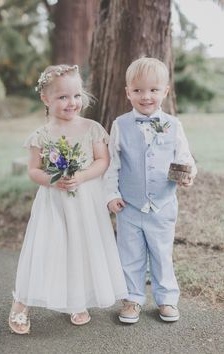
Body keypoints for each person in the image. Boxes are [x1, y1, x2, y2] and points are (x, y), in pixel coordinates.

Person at [8, 64, 128, 334]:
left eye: (76, 95)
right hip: (53, 202)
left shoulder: (92, 128)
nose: (71, 102)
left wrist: (83, 176)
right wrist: (54, 179)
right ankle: (21, 303)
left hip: (86, 201)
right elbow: (34, 170)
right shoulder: (42, 135)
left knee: (81, 247)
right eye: (62, 97)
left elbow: (102, 161)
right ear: (45, 99)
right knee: (46, 247)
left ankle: (77, 300)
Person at [104, 57, 197, 324]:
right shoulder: (120, 125)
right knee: (130, 254)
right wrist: (111, 195)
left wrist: (188, 175)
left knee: (161, 253)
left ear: (166, 91)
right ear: (128, 93)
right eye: (138, 90)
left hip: (163, 204)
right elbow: (113, 165)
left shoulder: (173, 125)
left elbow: (186, 158)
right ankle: (132, 297)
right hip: (129, 206)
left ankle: (166, 299)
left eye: (153, 90)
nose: (146, 97)